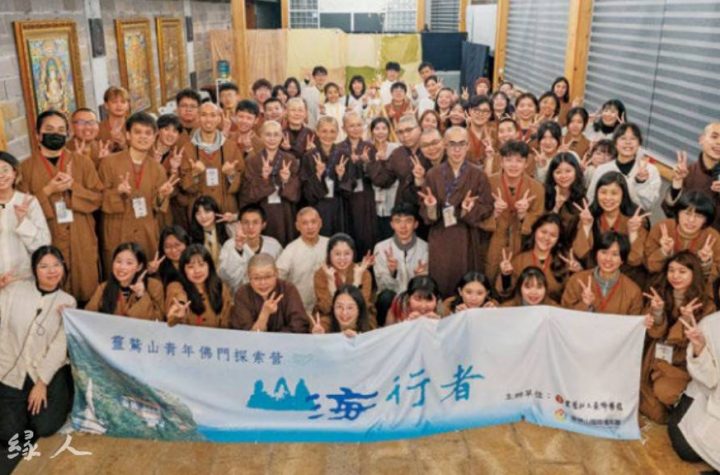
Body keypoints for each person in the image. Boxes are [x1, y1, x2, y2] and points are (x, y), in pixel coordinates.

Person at [0, 246, 76, 472]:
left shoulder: (68, 302)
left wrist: (42, 383)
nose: (51, 271)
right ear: (34, 270)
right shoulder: (14, 290)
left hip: (43, 374)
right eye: (44, 266)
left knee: (45, 427)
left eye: (56, 265)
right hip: (9, 371)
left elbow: (59, 348)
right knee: (9, 434)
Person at [19, 110, 103, 303]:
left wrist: (74, 187)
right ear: (38, 135)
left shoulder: (82, 163)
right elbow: (21, 210)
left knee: (87, 291)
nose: (55, 134)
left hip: (81, 235)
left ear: (67, 133)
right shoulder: (25, 168)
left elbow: (99, 198)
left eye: (60, 130)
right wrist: (48, 190)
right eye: (49, 130)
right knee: (52, 295)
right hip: (48, 236)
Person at [640, 252, 715, 423]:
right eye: (671, 270)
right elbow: (653, 333)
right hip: (655, 358)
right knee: (651, 406)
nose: (675, 276)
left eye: (682, 271)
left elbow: (698, 344)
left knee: (664, 391)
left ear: (694, 273)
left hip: (683, 364)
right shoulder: (659, 294)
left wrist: (687, 320)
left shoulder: (706, 304)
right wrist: (657, 312)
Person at [98, 112, 178, 274]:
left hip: (145, 232)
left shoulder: (158, 169)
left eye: (148, 133)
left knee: (145, 277)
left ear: (154, 137)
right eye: (138, 132)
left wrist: (162, 195)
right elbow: (98, 198)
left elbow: (157, 207)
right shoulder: (109, 163)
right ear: (128, 135)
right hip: (118, 230)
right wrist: (117, 192)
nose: (143, 137)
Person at [418, 126, 493, 297]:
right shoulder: (433, 174)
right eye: (452, 144)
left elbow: (487, 206)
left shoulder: (478, 174)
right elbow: (425, 209)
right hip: (441, 234)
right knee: (442, 280)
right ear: (445, 145)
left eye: (461, 144)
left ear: (468, 146)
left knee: (466, 283)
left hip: (467, 236)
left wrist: (469, 209)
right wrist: (431, 206)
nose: (457, 149)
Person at [667, 311, 720, 470]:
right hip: (710, 398)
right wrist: (700, 349)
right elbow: (709, 381)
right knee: (686, 448)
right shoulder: (710, 324)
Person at [485, 140, 545, 280]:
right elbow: (478, 215)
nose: (513, 165)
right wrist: (494, 213)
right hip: (493, 243)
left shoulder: (537, 188)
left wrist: (524, 216)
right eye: (509, 160)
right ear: (501, 162)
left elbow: (539, 219)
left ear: (526, 163)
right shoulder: (488, 183)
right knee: (490, 277)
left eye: (519, 161)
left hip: (521, 245)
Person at [573, 171, 647, 283]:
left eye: (614, 193)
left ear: (623, 195)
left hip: (625, 280)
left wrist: (633, 232)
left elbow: (635, 260)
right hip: (594, 277)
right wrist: (586, 226)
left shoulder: (635, 220)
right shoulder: (589, 216)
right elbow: (580, 253)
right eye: (603, 192)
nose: (608, 198)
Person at [239, 120, 300, 246]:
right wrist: (264, 178)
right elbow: (248, 194)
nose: (272, 139)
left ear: (281, 137)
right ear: (261, 136)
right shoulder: (252, 161)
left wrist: (286, 180)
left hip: (285, 212)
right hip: (262, 211)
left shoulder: (290, 159)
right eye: (268, 134)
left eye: (276, 134)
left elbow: (297, 194)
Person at [180, 102, 244, 215]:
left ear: (219, 119)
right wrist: (194, 174)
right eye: (204, 115)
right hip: (200, 212)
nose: (208, 119)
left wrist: (232, 175)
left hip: (226, 211)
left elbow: (242, 182)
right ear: (198, 118)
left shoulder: (231, 147)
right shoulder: (188, 149)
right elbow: (184, 187)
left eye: (213, 115)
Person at [496, 213, 577, 302]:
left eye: (553, 235)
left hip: (552, 310)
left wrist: (575, 273)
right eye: (543, 232)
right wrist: (506, 276)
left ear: (558, 239)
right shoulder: (520, 260)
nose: (547, 238)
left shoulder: (565, 263)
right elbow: (506, 294)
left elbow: (570, 297)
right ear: (535, 231)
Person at [373, 202, 429, 326]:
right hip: (391, 299)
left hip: (415, 299)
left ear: (416, 224)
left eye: (408, 221)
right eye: (398, 221)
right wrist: (392, 273)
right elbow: (382, 286)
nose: (403, 226)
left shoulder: (425, 248)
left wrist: (419, 279)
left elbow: (427, 286)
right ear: (392, 224)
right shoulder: (381, 248)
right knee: (386, 296)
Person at [561, 231, 644, 315]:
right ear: (596, 254)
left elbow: (635, 321)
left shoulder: (633, 291)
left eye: (615, 254)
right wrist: (585, 304)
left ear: (622, 260)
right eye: (604, 252)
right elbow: (563, 315)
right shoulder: (577, 280)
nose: (608, 259)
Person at [0, 152, 51, 286]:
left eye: (5, 170)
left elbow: (43, 245)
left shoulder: (28, 202)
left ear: (14, 172)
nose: (1, 175)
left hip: (23, 279)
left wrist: (23, 222)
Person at [586, 123, 661, 213]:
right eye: (623, 138)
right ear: (615, 143)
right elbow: (591, 199)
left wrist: (641, 183)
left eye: (633, 138)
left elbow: (648, 205)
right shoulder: (602, 170)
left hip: (635, 219)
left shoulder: (650, 170)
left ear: (639, 144)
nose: (628, 142)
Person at [645, 192, 720, 280]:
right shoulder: (662, 227)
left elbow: (712, 277)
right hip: (661, 281)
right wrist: (663, 252)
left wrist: (705, 263)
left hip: (696, 285)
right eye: (687, 213)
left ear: (706, 220)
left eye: (699, 216)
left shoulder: (713, 237)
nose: (691, 220)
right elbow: (650, 267)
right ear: (678, 213)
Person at [230, 253, 310, 333]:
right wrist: (265, 314)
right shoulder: (243, 294)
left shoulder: (288, 289)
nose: (263, 283)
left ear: (276, 273)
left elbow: (299, 326)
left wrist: (274, 338)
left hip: (285, 340)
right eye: (256, 278)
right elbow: (247, 334)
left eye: (268, 277)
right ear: (249, 276)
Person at [85, 242, 165, 320]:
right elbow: (87, 317)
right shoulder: (103, 287)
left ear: (139, 267)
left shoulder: (154, 286)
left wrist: (141, 295)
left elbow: (157, 320)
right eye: (118, 261)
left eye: (129, 263)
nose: (122, 267)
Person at [664, 122, 720, 231]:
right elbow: (669, 212)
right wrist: (677, 183)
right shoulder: (687, 172)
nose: (719, 142)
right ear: (701, 140)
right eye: (714, 137)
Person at [313, 233, 375, 331]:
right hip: (330, 315)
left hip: (359, 316)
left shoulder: (363, 273)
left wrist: (357, 280)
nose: (342, 258)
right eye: (337, 254)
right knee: (322, 324)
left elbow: (361, 306)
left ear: (353, 254)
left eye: (347, 254)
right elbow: (326, 308)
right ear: (329, 254)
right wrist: (331, 281)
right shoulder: (321, 274)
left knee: (368, 322)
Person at [369, 114, 430, 211]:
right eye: (400, 132)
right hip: (404, 207)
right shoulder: (397, 153)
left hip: (428, 205)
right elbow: (382, 181)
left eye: (409, 130)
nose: (405, 135)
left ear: (419, 129)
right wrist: (378, 162)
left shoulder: (430, 149)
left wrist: (422, 178)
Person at [300, 116, 348, 236]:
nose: (328, 135)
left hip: (338, 206)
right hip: (318, 205)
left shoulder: (343, 155)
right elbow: (305, 188)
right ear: (317, 132)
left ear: (337, 133)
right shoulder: (309, 156)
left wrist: (341, 176)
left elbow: (349, 187)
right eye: (324, 131)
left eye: (332, 131)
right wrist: (317, 175)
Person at [218, 204, 282, 293]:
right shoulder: (229, 245)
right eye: (246, 222)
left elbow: (280, 274)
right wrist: (238, 249)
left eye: (255, 222)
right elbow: (226, 277)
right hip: (240, 295)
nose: (250, 227)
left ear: (263, 225)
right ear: (239, 224)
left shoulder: (274, 245)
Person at [338, 111, 377, 256]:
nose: (356, 129)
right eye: (351, 125)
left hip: (365, 197)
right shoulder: (339, 148)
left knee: (366, 234)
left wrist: (366, 163)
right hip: (345, 198)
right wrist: (343, 171)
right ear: (344, 128)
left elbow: (377, 175)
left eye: (359, 125)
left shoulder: (370, 147)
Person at [165, 244, 233, 328]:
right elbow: (178, 298)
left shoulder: (221, 287)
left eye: (201, 265)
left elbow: (226, 322)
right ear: (183, 270)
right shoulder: (175, 286)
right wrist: (179, 308)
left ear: (209, 266)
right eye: (190, 267)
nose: (197, 271)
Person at [276, 207, 329, 315]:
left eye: (313, 222)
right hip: (299, 308)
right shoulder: (290, 250)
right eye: (305, 223)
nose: (310, 227)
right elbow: (278, 278)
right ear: (297, 226)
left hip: (328, 307)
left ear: (320, 223)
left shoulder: (330, 245)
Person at [154, 113, 190, 229]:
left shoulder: (176, 155)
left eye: (175, 131)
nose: (170, 134)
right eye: (166, 129)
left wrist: (174, 169)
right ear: (158, 131)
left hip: (167, 209)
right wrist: (153, 165)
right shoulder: (146, 149)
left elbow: (175, 190)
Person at [369, 117, 401, 241]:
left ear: (389, 130)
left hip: (392, 196)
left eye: (384, 128)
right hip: (373, 198)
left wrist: (383, 162)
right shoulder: (368, 149)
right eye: (377, 128)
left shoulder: (396, 148)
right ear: (372, 131)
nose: (380, 132)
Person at [544, 152, 586, 240]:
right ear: (552, 174)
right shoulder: (544, 193)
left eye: (568, 171)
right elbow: (542, 229)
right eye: (558, 172)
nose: (563, 176)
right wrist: (556, 207)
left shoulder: (582, 196)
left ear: (576, 171)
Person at [189, 195, 230, 266]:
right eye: (198, 213)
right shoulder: (192, 236)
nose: (203, 216)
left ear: (215, 212)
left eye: (207, 212)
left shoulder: (227, 229)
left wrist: (234, 218)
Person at [465, 95, 497, 169]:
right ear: (470, 111)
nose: (480, 114)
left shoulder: (495, 135)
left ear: (490, 114)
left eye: (485, 111)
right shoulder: (461, 135)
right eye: (476, 110)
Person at [97, 86, 130, 152]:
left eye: (123, 102)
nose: (119, 105)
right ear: (106, 105)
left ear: (128, 105)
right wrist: (110, 146)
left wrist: (124, 145)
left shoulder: (134, 126)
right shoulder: (98, 128)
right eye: (114, 102)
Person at [281, 97, 315, 162]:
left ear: (305, 114)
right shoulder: (280, 134)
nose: (297, 114)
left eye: (300, 110)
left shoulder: (311, 134)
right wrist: (284, 150)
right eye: (293, 110)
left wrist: (311, 151)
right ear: (286, 113)